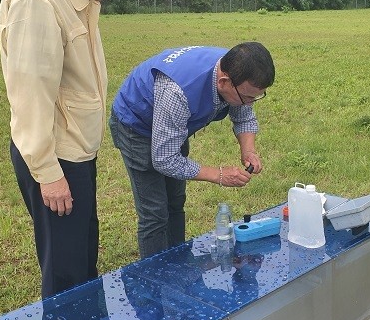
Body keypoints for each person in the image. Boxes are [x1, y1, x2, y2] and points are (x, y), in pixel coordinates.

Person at [0, 0, 141, 298]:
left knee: (82, 258)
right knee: (65, 273)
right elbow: (30, 97)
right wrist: (49, 173)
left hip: (75, 151)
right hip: (54, 158)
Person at [109, 43, 275, 258]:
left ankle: (177, 262)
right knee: (155, 214)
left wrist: (249, 150)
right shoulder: (177, 92)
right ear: (224, 82)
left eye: (257, 96)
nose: (250, 102)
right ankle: (156, 278)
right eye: (248, 97)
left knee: (175, 201)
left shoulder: (236, 70)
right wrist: (220, 175)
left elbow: (243, 115)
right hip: (137, 126)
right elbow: (165, 160)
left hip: (173, 124)